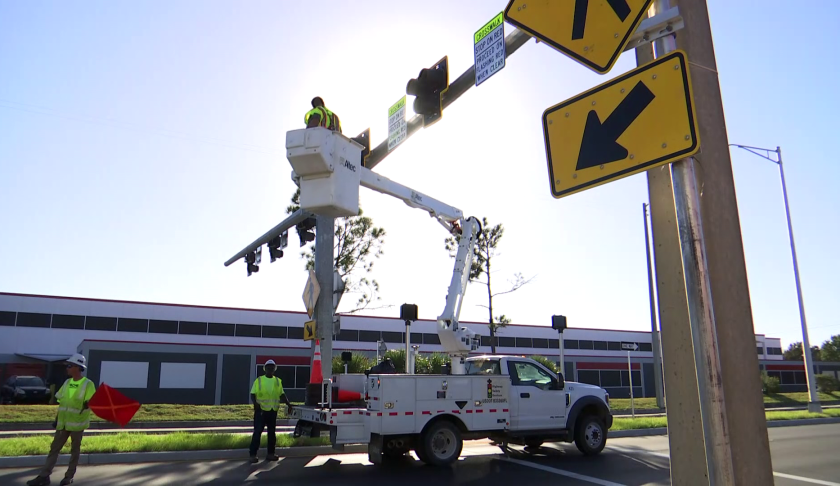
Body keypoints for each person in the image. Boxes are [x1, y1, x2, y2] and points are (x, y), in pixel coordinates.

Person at [27, 353, 96, 486]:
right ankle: (44, 476)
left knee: (74, 451)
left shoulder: (88, 384)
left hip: (77, 424)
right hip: (63, 423)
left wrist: (90, 403)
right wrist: (57, 419)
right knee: (54, 449)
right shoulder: (67, 382)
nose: (67, 368)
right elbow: (62, 404)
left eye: (69, 366)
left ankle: (68, 476)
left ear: (77, 367)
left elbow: (90, 403)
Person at [248, 359, 292, 464]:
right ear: (265, 369)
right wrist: (255, 404)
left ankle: (270, 454)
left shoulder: (278, 381)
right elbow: (253, 394)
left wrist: (288, 404)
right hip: (261, 411)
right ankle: (252, 455)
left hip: (273, 411)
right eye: (268, 367)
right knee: (257, 432)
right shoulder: (259, 380)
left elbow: (282, 394)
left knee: (272, 434)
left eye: (272, 368)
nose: (270, 369)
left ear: (274, 369)